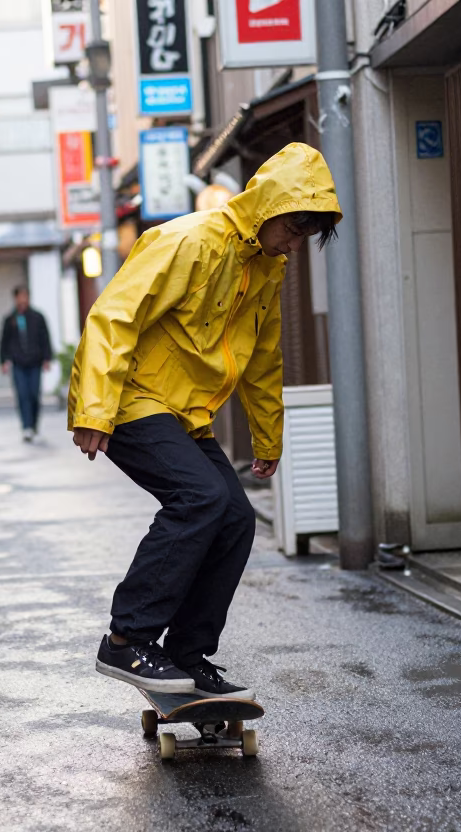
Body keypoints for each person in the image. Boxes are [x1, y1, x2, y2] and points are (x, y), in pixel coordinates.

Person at [67, 143, 341, 700]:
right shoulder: (188, 240)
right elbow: (114, 316)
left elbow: (262, 358)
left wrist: (268, 436)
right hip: (131, 399)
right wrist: (94, 407)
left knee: (236, 517)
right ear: (268, 207)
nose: (294, 243)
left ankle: (187, 654)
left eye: (305, 235)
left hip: (184, 414)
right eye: (293, 228)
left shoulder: (266, 269)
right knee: (199, 498)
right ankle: (126, 640)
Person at [0, 286, 53, 442]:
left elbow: (45, 338)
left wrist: (47, 358)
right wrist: (3, 361)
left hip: (35, 363)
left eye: (25, 296)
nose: (22, 300)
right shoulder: (10, 319)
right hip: (18, 364)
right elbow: (4, 342)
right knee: (22, 395)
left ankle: (34, 424)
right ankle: (26, 427)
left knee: (34, 394)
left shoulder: (37, 317)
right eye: (20, 297)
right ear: (15, 298)